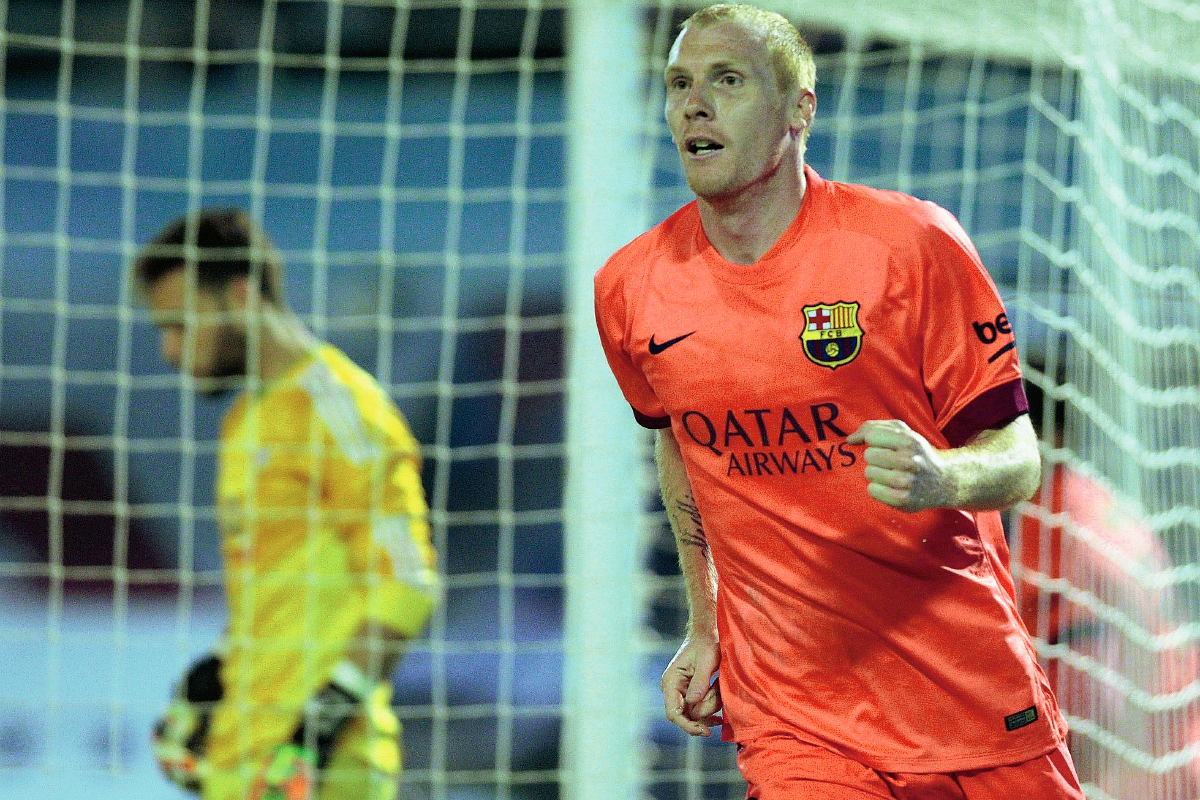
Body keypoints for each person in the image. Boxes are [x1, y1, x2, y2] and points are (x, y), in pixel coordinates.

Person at [593, 5, 1084, 799]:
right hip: (796, 720)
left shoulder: (910, 245)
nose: (694, 104)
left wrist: (942, 480)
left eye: (727, 80)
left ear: (799, 109)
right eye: (679, 83)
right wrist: (706, 616)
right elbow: (681, 440)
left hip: (965, 695)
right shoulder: (632, 289)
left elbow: (1018, 457)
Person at [137, 208, 438, 800]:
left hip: (317, 773)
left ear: (241, 296)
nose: (169, 351)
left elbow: (408, 583)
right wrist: (208, 687)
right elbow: (273, 595)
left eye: (179, 324)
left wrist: (314, 733)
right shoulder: (243, 421)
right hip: (240, 760)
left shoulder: (340, 408)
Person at [1015, 381, 1200, 798]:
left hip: (1141, 767)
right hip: (1178, 745)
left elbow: (1099, 653)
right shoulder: (1094, 497)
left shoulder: (1053, 510)